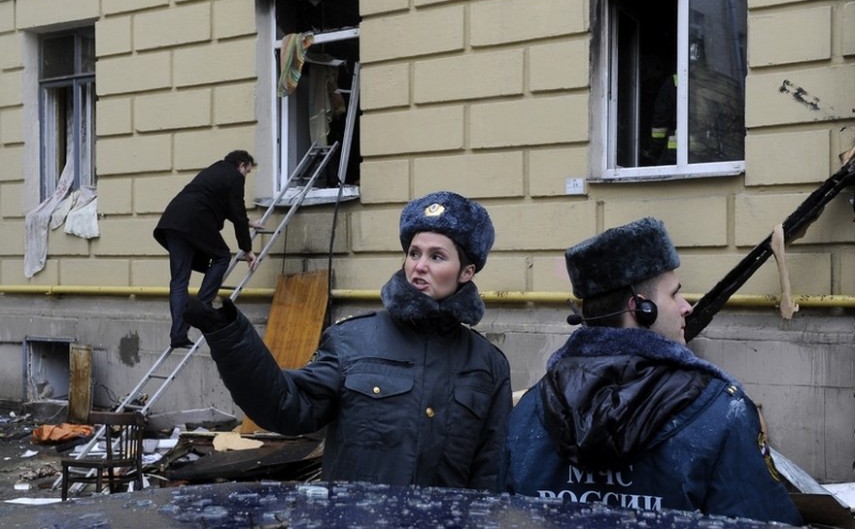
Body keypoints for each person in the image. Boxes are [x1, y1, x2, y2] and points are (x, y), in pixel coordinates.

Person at [183, 191, 512, 490]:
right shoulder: (352, 341)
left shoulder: (487, 365)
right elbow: (287, 406)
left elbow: (490, 474)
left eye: (437, 257)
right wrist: (227, 334)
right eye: (414, 253)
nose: (419, 266)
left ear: (466, 272)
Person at [502, 218, 802, 525]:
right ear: (641, 308)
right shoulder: (721, 412)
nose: (687, 307)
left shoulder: (531, 409)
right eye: (674, 295)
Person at [153, 150, 263, 349]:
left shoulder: (215, 171)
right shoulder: (234, 177)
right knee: (221, 256)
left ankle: (178, 335)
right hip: (195, 220)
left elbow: (224, 206)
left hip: (173, 220)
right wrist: (247, 250)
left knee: (179, 281)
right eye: (247, 171)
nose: (245, 176)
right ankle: (202, 305)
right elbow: (236, 210)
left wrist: (247, 223)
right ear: (241, 165)